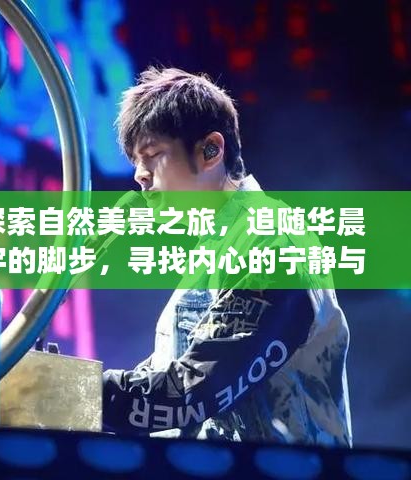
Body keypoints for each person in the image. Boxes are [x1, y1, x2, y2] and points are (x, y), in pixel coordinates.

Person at [102, 66, 352, 446]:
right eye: (136, 160)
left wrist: (65, 387)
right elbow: (170, 383)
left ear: (211, 150)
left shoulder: (271, 240)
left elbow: (197, 387)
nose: (140, 175)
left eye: (152, 155)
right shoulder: (217, 251)